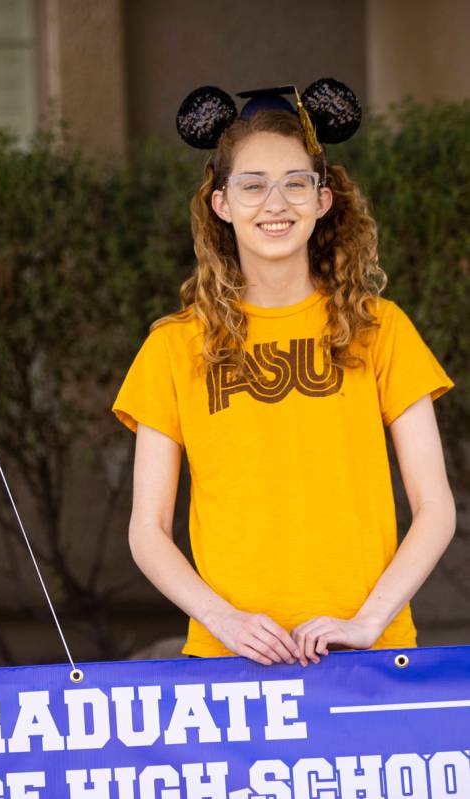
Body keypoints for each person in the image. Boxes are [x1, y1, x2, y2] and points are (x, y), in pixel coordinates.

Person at [111, 79, 456, 667]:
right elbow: (146, 531)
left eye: (296, 183)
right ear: (221, 203)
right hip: (231, 658)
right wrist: (226, 624)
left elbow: (436, 509)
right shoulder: (174, 346)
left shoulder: (379, 327)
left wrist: (368, 622)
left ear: (323, 200)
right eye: (253, 185)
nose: (277, 203)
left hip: (368, 654)